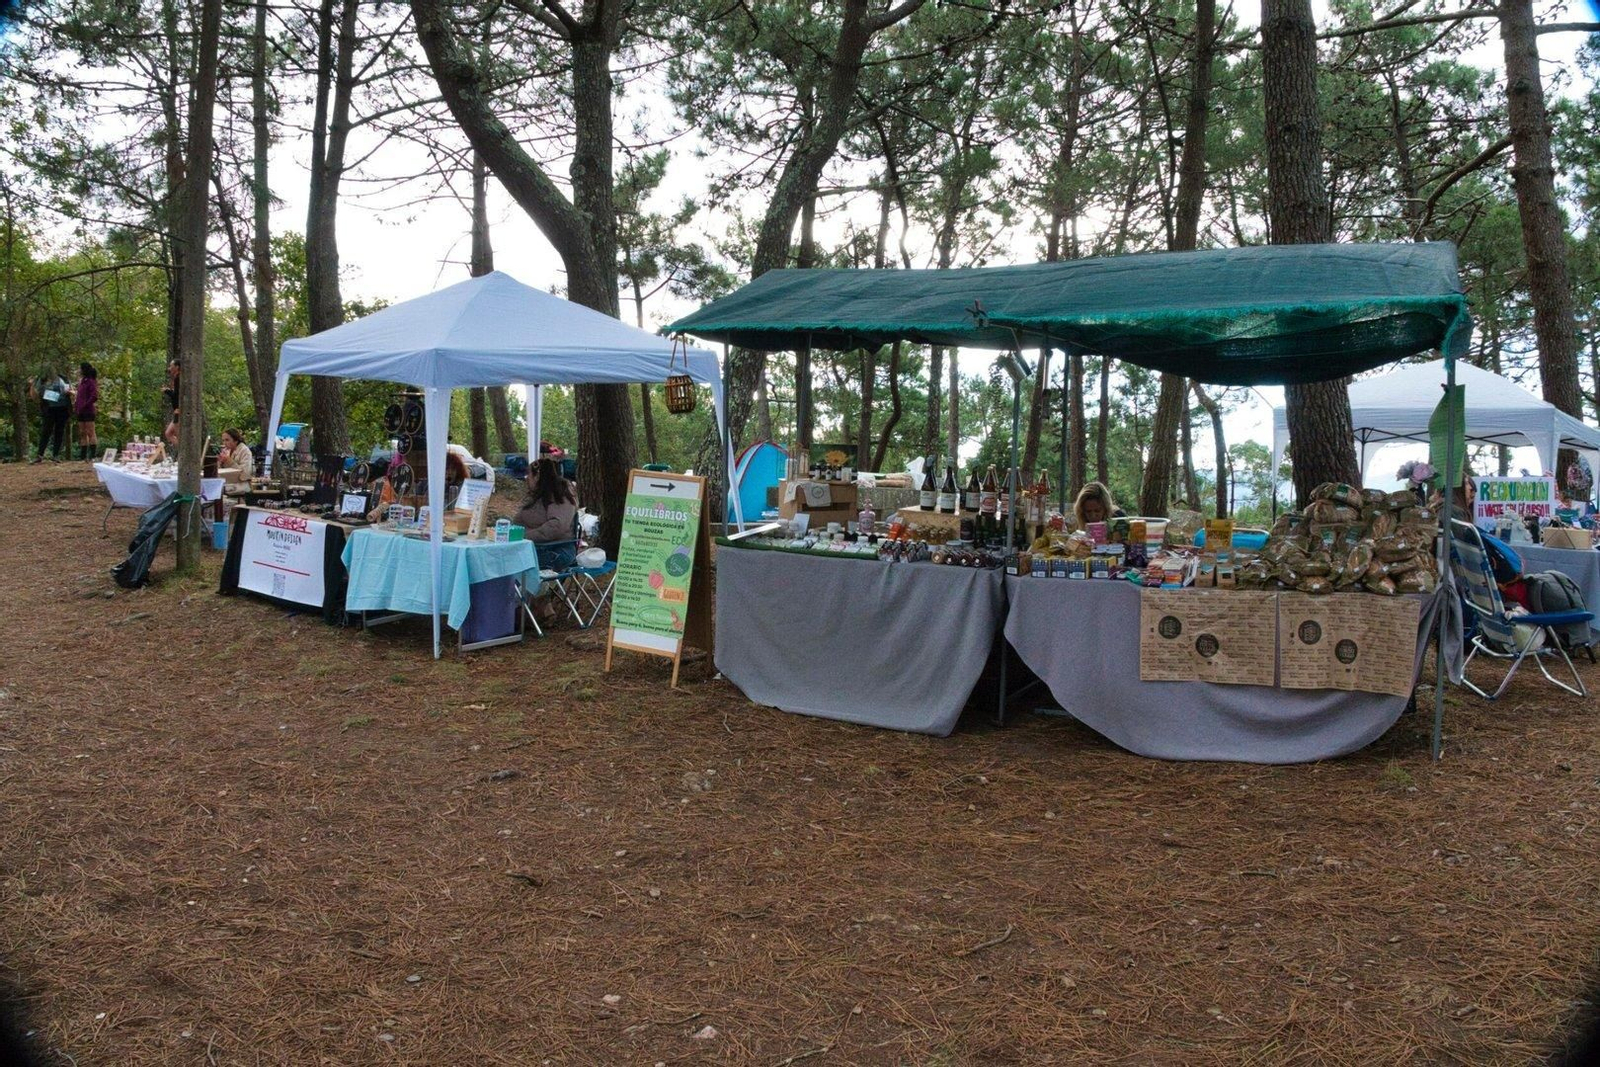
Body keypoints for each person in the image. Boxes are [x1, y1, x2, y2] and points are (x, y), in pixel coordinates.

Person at [515, 457, 579, 572]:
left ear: (537, 476)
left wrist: (524, 536)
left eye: (529, 475)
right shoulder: (539, 495)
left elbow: (556, 526)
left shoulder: (560, 495)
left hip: (554, 550)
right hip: (535, 547)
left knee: (508, 562)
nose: (526, 478)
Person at [28, 369, 72, 463]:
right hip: (49, 409)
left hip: (62, 408)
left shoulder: (63, 378)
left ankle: (56, 455)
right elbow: (35, 396)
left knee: (59, 431)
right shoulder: (42, 380)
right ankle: (40, 455)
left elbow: (70, 390)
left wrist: (70, 392)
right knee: (46, 431)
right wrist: (31, 385)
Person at [74, 362, 99, 461]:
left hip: (88, 410)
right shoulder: (82, 382)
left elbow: (94, 396)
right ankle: (83, 455)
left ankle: (93, 455)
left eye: (79, 368)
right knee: (82, 432)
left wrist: (85, 404)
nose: (78, 370)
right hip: (80, 411)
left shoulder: (91, 382)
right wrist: (77, 406)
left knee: (90, 431)